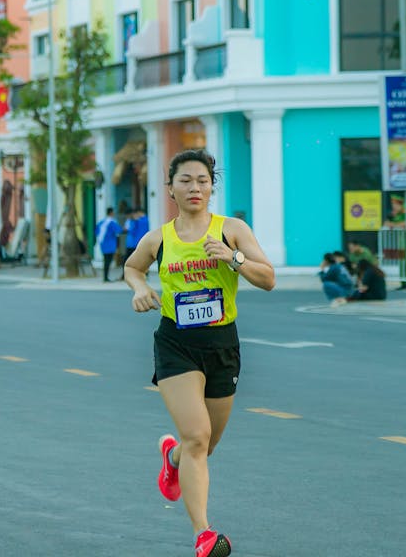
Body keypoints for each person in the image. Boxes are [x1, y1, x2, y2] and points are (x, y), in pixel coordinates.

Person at [124, 149, 275, 557]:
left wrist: (235, 258)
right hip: (176, 343)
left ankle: (171, 457)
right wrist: (140, 288)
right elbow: (132, 267)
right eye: (186, 180)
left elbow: (269, 279)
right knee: (197, 436)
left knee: (203, 447)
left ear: (212, 187)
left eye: (203, 180)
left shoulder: (232, 230)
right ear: (170, 188)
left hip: (222, 344)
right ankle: (204, 534)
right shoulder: (159, 238)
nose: (195, 187)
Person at [96, 207, 122, 282]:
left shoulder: (102, 222)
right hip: (110, 244)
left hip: (102, 244)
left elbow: (96, 231)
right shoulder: (112, 222)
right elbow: (119, 230)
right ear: (111, 213)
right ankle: (106, 277)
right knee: (108, 261)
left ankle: (105, 277)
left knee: (106, 260)